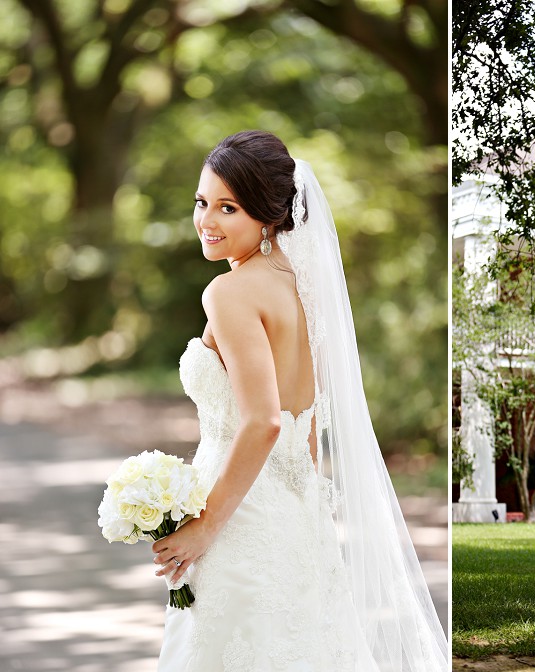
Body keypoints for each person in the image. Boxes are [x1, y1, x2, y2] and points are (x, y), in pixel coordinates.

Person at [150, 131, 448, 670]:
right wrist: (304, 511)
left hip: (236, 517)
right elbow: (303, 423)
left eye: (228, 208)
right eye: (202, 202)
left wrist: (205, 527)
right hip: (295, 511)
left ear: (267, 216)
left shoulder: (229, 292)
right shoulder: (307, 288)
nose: (207, 221)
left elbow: (264, 421)